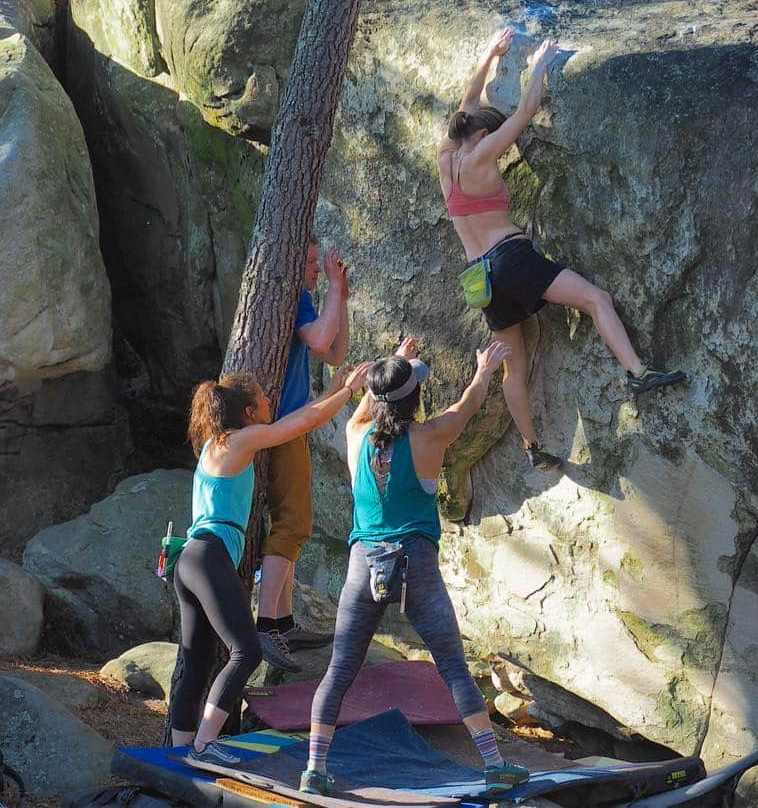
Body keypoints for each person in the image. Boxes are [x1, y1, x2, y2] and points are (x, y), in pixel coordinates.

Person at [437, 27, 686, 471]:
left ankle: (532, 446)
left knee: (514, 363)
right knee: (596, 299)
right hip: (510, 258)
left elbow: (465, 105)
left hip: (479, 280)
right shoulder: (481, 155)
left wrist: (489, 57)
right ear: (483, 137)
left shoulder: (446, 159)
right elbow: (526, 112)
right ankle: (638, 373)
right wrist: (539, 68)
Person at [302, 337, 530, 797]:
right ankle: (493, 764)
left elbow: (372, 404)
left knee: (341, 668)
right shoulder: (429, 438)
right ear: (415, 400)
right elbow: (469, 405)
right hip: (415, 563)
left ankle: (314, 767)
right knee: (452, 667)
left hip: (364, 564)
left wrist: (397, 363)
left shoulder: (355, 433)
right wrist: (484, 370)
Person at [173, 363, 367, 765]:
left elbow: (298, 418)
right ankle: (205, 746)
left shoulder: (215, 443)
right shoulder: (242, 440)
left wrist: (330, 388)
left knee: (198, 658)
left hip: (189, 558)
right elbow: (299, 425)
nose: (269, 403)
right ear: (248, 411)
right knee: (246, 652)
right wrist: (347, 392)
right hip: (208, 558)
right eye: (263, 399)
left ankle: (178, 749)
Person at [257, 238, 350, 671]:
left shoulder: (299, 297)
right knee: (292, 523)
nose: (317, 268)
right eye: (312, 262)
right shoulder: (292, 295)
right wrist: (332, 288)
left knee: (295, 523)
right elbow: (317, 343)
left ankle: (284, 621)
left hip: (290, 422)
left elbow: (335, 351)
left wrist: (341, 298)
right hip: (284, 424)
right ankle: (266, 627)